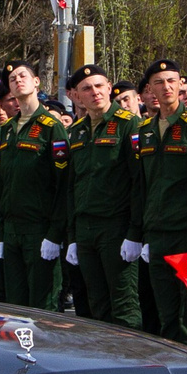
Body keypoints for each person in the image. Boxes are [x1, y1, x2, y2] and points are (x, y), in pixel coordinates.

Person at [131, 60, 187, 348]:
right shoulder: (145, 130)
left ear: (180, 84)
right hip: (158, 235)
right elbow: (142, 185)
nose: (167, 87)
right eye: (160, 82)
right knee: (167, 313)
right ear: (150, 89)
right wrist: (141, 235)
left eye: (172, 81)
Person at [0, 62, 69, 309]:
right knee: (15, 306)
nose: (17, 80)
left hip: (39, 230)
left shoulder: (52, 127)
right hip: (11, 230)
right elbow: (1, 183)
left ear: (36, 82)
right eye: (12, 79)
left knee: (43, 307)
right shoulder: (7, 130)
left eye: (23, 76)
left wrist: (54, 235)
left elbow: (62, 185)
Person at [63, 65, 143, 328]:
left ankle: (130, 365)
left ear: (109, 88)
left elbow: (139, 182)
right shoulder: (77, 131)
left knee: (124, 305)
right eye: (87, 88)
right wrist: (74, 237)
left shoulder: (130, 125)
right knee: (96, 304)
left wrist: (134, 233)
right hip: (86, 229)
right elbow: (73, 185)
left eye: (99, 86)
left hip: (116, 228)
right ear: (77, 96)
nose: (94, 92)